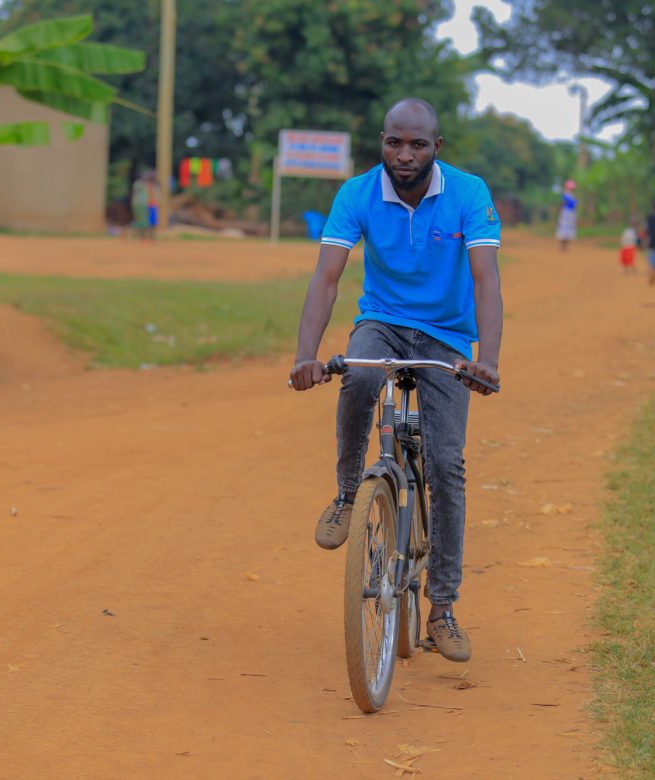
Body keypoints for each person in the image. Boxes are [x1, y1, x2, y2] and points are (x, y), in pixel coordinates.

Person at [289, 98, 502, 664]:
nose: (404, 155)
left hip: (446, 336)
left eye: (417, 144)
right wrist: (305, 356)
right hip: (381, 322)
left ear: (437, 147)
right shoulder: (357, 193)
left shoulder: (468, 194)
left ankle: (442, 607)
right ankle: (346, 495)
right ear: (381, 142)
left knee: (446, 465)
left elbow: (486, 279)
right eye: (394, 143)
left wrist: (487, 360)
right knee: (358, 377)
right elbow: (327, 276)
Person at [556, 179, 578, 252]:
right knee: (564, 228)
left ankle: (565, 245)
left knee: (568, 229)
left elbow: (574, 206)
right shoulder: (566, 195)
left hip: (571, 213)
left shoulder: (572, 196)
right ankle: (563, 245)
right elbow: (562, 204)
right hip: (565, 213)